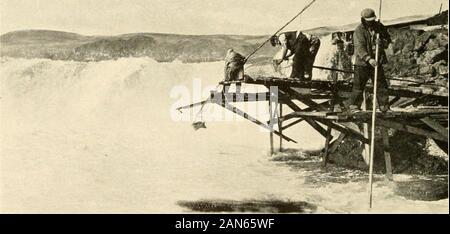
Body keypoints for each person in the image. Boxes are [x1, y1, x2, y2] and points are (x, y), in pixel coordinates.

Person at [347, 8, 392, 113]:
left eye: (372, 20)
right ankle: (354, 107)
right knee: (359, 85)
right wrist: (368, 59)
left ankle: (384, 107)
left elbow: (387, 40)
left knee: (381, 85)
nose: (371, 22)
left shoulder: (379, 27)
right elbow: (360, 48)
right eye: (369, 20)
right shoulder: (359, 31)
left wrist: (381, 41)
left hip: (376, 61)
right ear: (363, 19)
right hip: (363, 63)